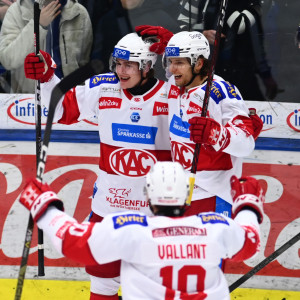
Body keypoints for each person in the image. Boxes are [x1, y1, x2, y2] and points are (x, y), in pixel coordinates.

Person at [24, 32, 171, 299]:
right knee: (102, 284)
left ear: (147, 66)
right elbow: (61, 109)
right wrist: (46, 76)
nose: (120, 71)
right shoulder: (104, 86)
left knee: (149, 290)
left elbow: (201, 98)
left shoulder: (171, 96)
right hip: (108, 210)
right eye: (117, 63)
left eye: (129, 65)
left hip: (154, 214)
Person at [19, 161, 265, 299]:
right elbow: (250, 241)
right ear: (187, 194)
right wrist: (248, 205)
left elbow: (72, 243)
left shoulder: (133, 230)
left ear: (147, 193)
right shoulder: (215, 227)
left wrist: (45, 207)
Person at [136, 27, 262, 218]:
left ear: (198, 64)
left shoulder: (221, 93)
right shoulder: (176, 83)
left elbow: (246, 144)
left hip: (214, 196)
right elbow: (173, 71)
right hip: (181, 192)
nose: (171, 69)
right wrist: (172, 46)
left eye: (178, 63)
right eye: (170, 62)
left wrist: (217, 134)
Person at [177, 0, 278, 101]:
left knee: (249, 110)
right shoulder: (197, 2)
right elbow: (180, 29)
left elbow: (240, 26)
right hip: (204, 70)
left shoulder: (253, 3)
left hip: (241, 71)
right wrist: (202, 34)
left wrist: (265, 74)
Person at [0, 0, 92, 93]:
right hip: (29, 99)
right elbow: (8, 60)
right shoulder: (17, 11)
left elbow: (84, 63)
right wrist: (37, 25)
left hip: (70, 97)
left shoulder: (78, 12)